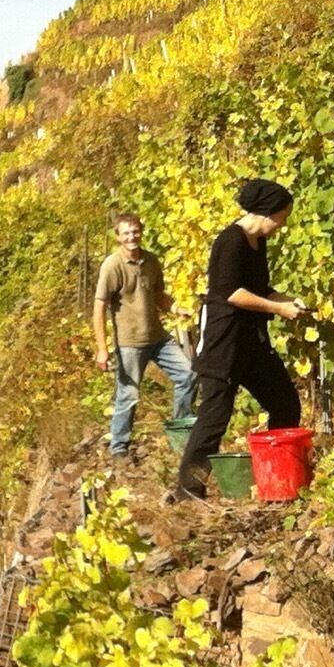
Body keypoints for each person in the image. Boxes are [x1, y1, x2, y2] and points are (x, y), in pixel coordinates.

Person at [175, 178, 307, 499]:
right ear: (268, 212)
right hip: (223, 339)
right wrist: (277, 308)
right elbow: (232, 293)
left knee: (285, 403)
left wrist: (289, 301)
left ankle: (274, 475)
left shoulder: (258, 241)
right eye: (283, 216)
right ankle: (188, 488)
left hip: (251, 340)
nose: (283, 224)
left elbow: (260, 288)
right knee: (214, 416)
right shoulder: (230, 242)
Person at [90, 213, 193, 457]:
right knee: (128, 396)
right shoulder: (112, 266)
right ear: (117, 237)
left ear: (141, 232)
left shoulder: (151, 261)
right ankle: (119, 449)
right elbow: (99, 307)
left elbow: (159, 296)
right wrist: (102, 349)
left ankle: (181, 433)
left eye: (135, 231)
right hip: (129, 342)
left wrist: (178, 308)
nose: (131, 237)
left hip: (158, 338)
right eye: (125, 233)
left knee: (188, 375)